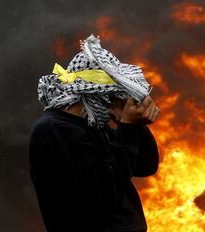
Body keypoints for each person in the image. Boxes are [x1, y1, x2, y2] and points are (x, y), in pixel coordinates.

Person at [29, 35, 160, 232]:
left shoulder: (91, 124)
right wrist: (128, 128)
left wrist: (135, 126)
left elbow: (146, 165)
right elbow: (101, 195)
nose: (117, 101)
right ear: (94, 93)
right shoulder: (55, 130)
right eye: (114, 96)